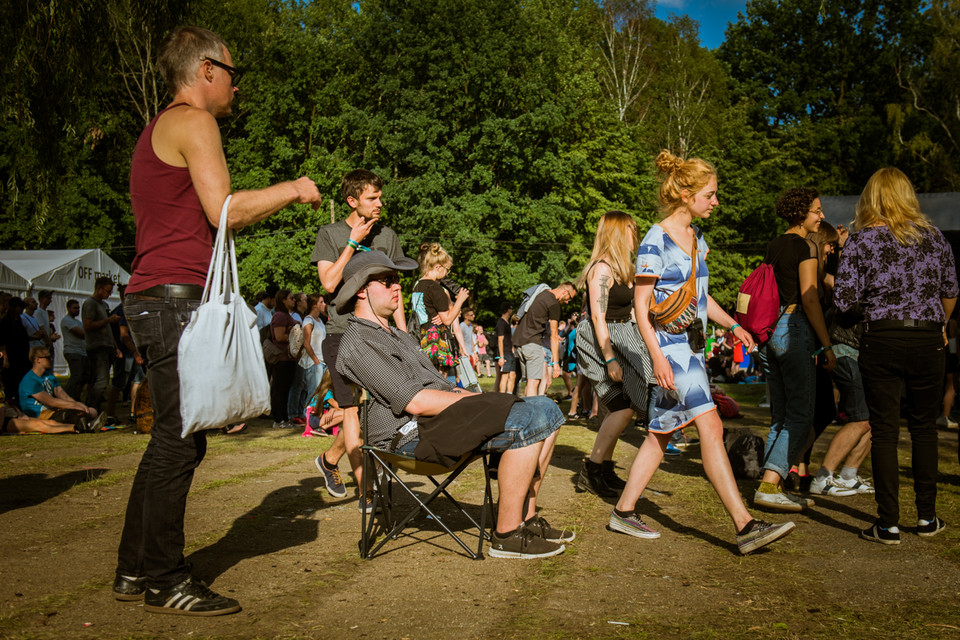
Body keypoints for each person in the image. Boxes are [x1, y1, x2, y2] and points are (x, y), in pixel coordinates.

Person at [114, 25, 322, 616]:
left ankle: (134, 569)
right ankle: (164, 578)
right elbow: (223, 210)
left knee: (172, 440)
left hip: (158, 295)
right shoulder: (193, 120)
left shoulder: (157, 128)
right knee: (179, 442)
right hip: (174, 299)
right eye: (234, 73)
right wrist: (293, 189)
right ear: (206, 70)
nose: (236, 86)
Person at [335, 251, 571, 558]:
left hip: (435, 422)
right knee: (527, 415)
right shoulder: (359, 342)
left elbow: (440, 387)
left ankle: (525, 517)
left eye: (397, 279)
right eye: (387, 280)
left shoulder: (398, 335)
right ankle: (508, 535)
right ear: (361, 290)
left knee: (546, 407)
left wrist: (473, 398)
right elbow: (415, 401)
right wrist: (483, 400)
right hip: (408, 436)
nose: (397, 287)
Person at [617, 150, 795, 555]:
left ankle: (624, 510)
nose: (716, 202)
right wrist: (657, 358)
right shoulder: (654, 241)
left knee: (660, 435)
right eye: (710, 194)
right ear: (685, 193)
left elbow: (698, 297)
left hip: (691, 349)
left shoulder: (697, 239)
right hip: (670, 351)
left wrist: (734, 324)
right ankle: (745, 524)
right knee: (711, 426)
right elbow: (639, 309)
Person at [834, 167, 957, 544]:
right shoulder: (935, 238)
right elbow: (951, 290)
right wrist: (938, 325)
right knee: (923, 429)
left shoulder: (860, 241)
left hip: (881, 337)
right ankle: (926, 517)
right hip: (926, 339)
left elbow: (843, 299)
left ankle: (887, 523)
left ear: (871, 198)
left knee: (885, 430)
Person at [310, 169, 405, 502]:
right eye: (372, 198)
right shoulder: (331, 233)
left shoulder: (387, 236)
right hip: (341, 333)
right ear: (352, 201)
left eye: (380, 196)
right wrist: (352, 244)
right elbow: (329, 284)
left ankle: (330, 459)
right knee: (351, 410)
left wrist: (404, 335)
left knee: (382, 408)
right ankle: (368, 490)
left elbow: (396, 290)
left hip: (381, 334)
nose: (380, 203)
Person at [753, 187, 837, 512]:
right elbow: (810, 297)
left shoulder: (773, 245)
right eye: (817, 210)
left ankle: (770, 484)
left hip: (770, 331)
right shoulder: (804, 247)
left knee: (781, 415)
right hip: (794, 328)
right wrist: (826, 343)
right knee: (801, 415)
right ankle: (770, 485)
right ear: (803, 213)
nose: (822, 215)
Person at [574, 211, 654, 497]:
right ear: (620, 233)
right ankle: (593, 471)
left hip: (623, 336)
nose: (637, 235)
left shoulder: (624, 269)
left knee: (624, 407)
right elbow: (597, 317)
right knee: (621, 407)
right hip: (600, 341)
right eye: (633, 230)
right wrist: (609, 358)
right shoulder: (602, 269)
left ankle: (604, 469)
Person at [411, 243, 471, 381]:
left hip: (421, 336)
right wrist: (460, 300)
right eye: (447, 269)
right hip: (435, 340)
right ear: (438, 267)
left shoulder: (417, 285)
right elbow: (448, 320)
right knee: (439, 381)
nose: (447, 274)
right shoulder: (435, 288)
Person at [18, 346, 103, 432]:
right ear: (37, 360)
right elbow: (51, 401)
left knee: (91, 410)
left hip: (53, 411)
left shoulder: (49, 376)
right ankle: (88, 423)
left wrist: (78, 405)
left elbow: (63, 395)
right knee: (73, 414)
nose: (51, 359)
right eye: (48, 357)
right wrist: (75, 406)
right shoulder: (30, 380)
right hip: (40, 415)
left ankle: (89, 421)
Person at [513, 283, 576, 397]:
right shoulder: (553, 304)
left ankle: (527, 411)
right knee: (534, 382)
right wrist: (556, 363)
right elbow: (554, 335)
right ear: (565, 292)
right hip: (532, 343)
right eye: (569, 298)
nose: (568, 302)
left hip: (520, 342)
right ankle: (532, 414)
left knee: (529, 382)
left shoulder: (540, 294)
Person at [82, 277, 120, 413]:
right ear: (99, 288)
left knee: (99, 381)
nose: (109, 294)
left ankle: (92, 409)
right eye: (108, 291)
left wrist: (115, 347)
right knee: (101, 381)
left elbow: (108, 329)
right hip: (97, 347)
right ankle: (92, 409)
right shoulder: (90, 303)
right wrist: (108, 320)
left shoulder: (103, 305)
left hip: (107, 346)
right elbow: (87, 325)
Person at [267, 289, 299, 428]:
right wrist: (296, 336)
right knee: (279, 389)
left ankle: (284, 419)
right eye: (291, 298)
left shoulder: (286, 315)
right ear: (283, 300)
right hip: (282, 359)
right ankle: (278, 419)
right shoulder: (280, 316)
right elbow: (279, 336)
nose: (293, 300)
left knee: (285, 389)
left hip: (289, 359)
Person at [298, 293, 327, 426]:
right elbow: (306, 343)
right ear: (315, 304)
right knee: (313, 390)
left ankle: (316, 417)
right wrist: (315, 360)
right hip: (314, 361)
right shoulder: (308, 320)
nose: (324, 305)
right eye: (321, 302)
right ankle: (307, 416)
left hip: (322, 360)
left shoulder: (320, 321)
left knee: (321, 391)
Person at [1, 298, 32, 406]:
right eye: (20, 307)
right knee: (11, 382)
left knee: (22, 381)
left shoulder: (19, 321)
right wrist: (5, 359)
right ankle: (12, 401)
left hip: (22, 357)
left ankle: (21, 401)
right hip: (12, 356)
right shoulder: (5, 322)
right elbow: (3, 342)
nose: (22, 309)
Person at [60, 299, 87, 400]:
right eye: (75, 308)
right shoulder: (66, 320)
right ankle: (66, 397)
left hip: (81, 352)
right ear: (68, 308)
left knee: (82, 378)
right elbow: (81, 334)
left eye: (78, 308)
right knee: (76, 376)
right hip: (72, 351)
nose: (77, 310)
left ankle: (76, 397)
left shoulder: (78, 322)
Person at [495, 302, 516, 394]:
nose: (512, 311)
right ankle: (502, 397)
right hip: (504, 353)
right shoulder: (501, 323)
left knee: (513, 375)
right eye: (511, 308)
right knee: (504, 376)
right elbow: (500, 340)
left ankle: (510, 395)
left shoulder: (507, 323)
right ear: (508, 309)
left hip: (510, 353)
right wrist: (501, 357)